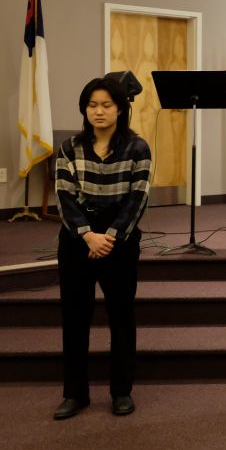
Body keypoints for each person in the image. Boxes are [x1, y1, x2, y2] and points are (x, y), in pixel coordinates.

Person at [54, 77, 151, 420]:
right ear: (84, 109)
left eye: (106, 105)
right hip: (77, 239)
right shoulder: (69, 147)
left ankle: (121, 391)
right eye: (92, 105)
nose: (99, 111)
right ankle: (75, 394)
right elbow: (64, 197)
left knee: (121, 316)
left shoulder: (138, 147)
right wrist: (87, 235)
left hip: (119, 240)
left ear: (120, 109)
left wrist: (109, 236)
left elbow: (138, 198)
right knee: (74, 318)